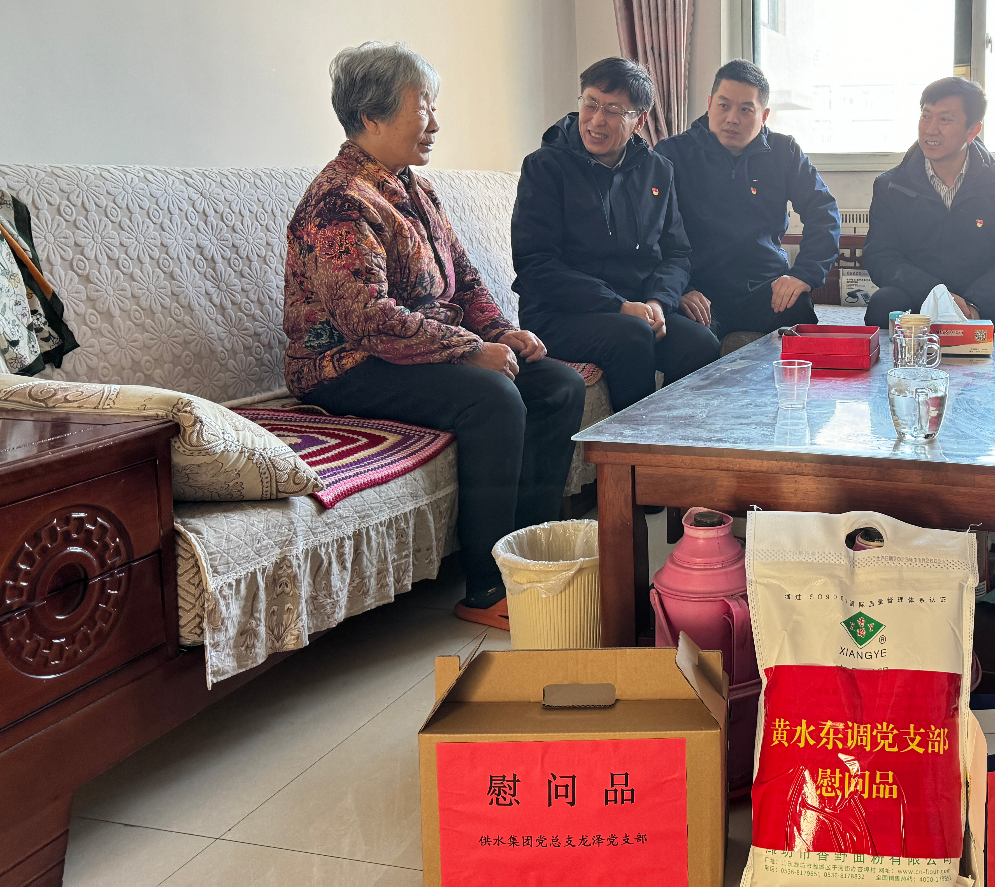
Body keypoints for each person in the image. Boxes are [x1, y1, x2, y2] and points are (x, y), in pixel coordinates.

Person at [284, 42, 587, 630]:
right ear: (372, 118)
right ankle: (486, 587)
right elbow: (369, 320)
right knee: (493, 397)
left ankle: (529, 555)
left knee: (557, 384)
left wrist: (503, 333)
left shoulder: (415, 189)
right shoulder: (338, 202)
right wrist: (472, 351)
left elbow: (464, 279)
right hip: (346, 367)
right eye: (422, 108)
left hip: (421, 351)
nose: (434, 123)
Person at [511, 57, 721, 414]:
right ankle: (634, 444)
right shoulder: (544, 167)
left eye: (612, 110)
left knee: (701, 343)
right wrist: (618, 306)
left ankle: (672, 437)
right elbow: (535, 263)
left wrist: (658, 302)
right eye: (590, 103)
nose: (596, 120)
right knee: (631, 336)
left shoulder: (658, 170)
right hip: (560, 313)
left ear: (639, 120)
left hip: (637, 307)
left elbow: (676, 253)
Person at [656, 59, 840, 338]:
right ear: (709, 104)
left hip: (765, 288)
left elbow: (823, 211)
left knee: (799, 319)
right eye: (723, 106)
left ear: (764, 116)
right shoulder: (672, 154)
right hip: (698, 291)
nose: (732, 118)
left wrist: (804, 273)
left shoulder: (784, 152)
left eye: (745, 109)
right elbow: (651, 230)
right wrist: (676, 289)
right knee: (692, 343)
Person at [861, 77, 995, 333]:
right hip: (921, 300)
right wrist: (940, 297)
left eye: (944, 119)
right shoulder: (892, 186)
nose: (930, 130)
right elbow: (881, 257)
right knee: (885, 302)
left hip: (985, 303)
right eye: (926, 116)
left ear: (972, 131)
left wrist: (974, 302)